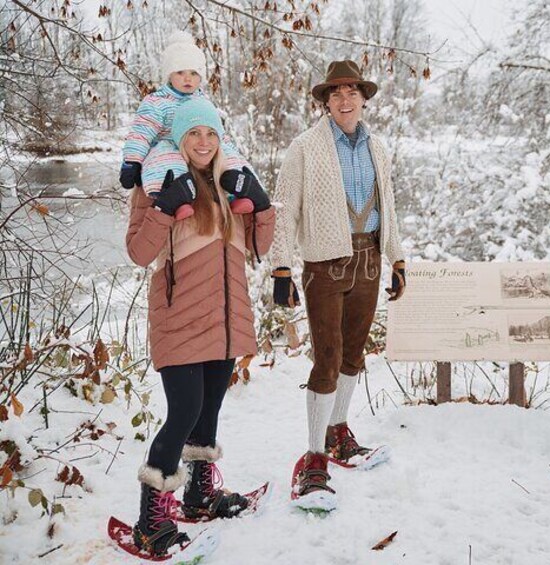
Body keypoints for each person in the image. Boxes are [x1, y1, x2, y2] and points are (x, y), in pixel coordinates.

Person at [125, 97, 275, 556]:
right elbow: (138, 252)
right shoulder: (158, 183)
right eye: (194, 133)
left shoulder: (231, 184)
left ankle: (199, 495)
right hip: (180, 318)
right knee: (184, 412)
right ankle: (150, 521)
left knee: (208, 410)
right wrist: (165, 208)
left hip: (225, 321)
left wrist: (262, 203)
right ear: (179, 138)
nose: (204, 142)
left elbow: (260, 246)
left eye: (210, 133)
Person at [270, 60, 407, 512]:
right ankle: (313, 458)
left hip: (369, 259)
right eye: (337, 94)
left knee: (353, 355)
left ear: (363, 99)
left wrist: (397, 258)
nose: (345, 100)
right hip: (325, 264)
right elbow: (285, 210)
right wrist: (282, 269)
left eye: (352, 92)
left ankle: (338, 432)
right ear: (325, 102)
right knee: (326, 358)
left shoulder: (378, 147)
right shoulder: (305, 147)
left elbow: (389, 205)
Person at [119, 31, 255, 220]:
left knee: (228, 156)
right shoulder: (157, 102)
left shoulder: (203, 101)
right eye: (180, 72)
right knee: (168, 162)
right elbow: (142, 132)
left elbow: (218, 132)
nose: (187, 78)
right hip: (171, 146)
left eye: (193, 73)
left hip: (199, 147)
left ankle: (238, 194)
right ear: (169, 75)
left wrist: (229, 149)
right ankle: (177, 201)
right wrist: (132, 161)